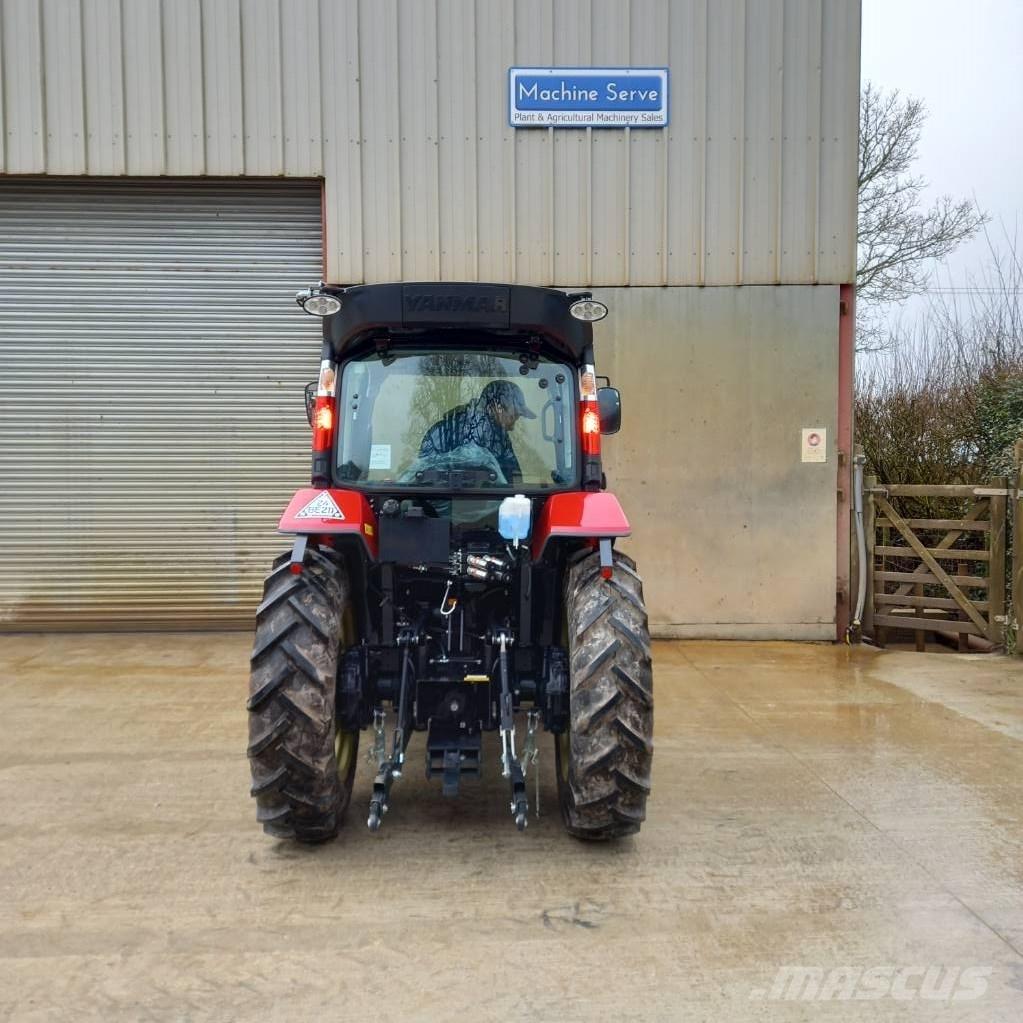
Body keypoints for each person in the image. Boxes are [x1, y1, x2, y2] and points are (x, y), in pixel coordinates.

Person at [419, 379, 536, 482]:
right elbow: (423, 477)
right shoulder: (445, 433)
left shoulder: (499, 437)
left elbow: (514, 479)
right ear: (497, 407)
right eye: (513, 417)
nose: (513, 427)